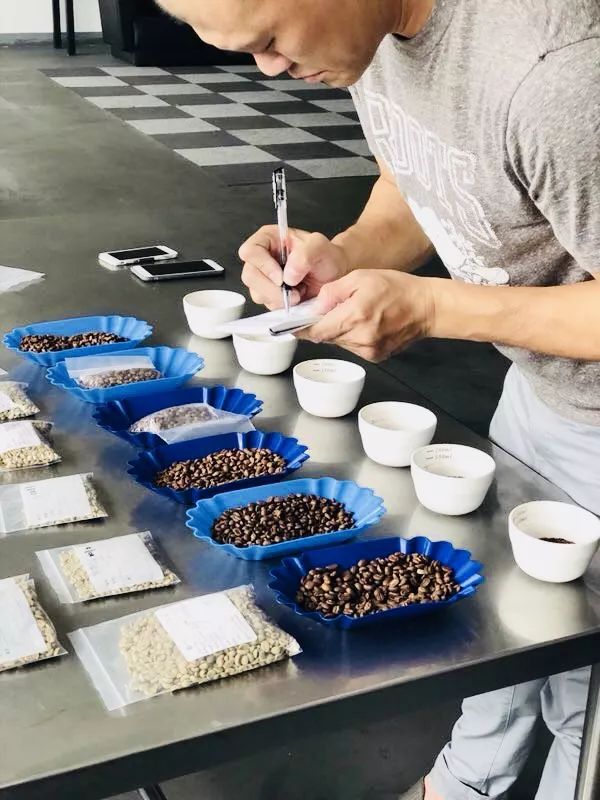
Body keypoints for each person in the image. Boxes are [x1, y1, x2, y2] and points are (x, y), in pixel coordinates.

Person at [157, 0, 600, 797]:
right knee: (505, 624)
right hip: (542, 386)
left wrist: (434, 308)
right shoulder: (370, 37)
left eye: (269, 38)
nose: (268, 67)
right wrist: (346, 255)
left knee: (584, 691)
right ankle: (462, 785)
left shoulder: (557, 74)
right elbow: (420, 179)